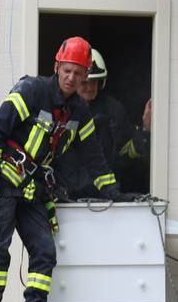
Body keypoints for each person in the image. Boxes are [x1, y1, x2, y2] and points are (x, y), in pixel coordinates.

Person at [0, 37, 123, 302]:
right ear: (57, 67)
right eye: (68, 71)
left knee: (44, 252)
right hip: (4, 183)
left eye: (79, 73)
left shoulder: (79, 112)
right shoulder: (32, 91)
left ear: (86, 76)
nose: (72, 78)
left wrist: (111, 188)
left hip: (33, 190)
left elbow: (93, 155)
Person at [55, 48, 151, 200]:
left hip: (105, 196)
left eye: (95, 82)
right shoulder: (60, 109)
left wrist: (146, 130)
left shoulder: (113, 110)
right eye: (85, 82)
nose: (90, 87)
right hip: (68, 198)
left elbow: (127, 152)